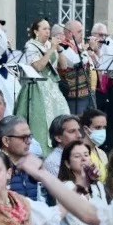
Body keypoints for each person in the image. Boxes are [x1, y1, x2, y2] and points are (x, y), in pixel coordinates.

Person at [16, 18, 72, 150]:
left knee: (62, 116)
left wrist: (58, 49)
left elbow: (63, 66)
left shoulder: (48, 45)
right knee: (42, 123)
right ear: (36, 31)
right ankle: (41, 150)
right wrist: (52, 48)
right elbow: (38, 67)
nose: (48, 32)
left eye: (49, 29)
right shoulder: (31, 46)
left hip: (52, 87)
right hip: (37, 88)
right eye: (44, 29)